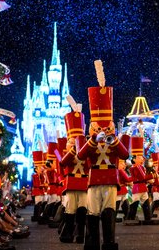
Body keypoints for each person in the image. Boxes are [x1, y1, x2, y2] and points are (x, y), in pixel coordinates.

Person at [76, 60, 130, 250]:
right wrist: (92, 139)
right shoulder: (88, 140)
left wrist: (113, 138)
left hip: (110, 178)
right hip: (94, 178)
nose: (102, 129)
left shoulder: (113, 138)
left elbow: (125, 154)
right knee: (92, 213)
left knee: (109, 212)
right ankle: (91, 244)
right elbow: (81, 156)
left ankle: (109, 243)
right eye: (99, 127)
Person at [59, 102, 90, 244]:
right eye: (70, 141)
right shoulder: (66, 153)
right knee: (70, 210)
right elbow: (63, 163)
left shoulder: (85, 153)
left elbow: (89, 165)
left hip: (83, 183)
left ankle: (80, 235)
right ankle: (67, 234)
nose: (72, 143)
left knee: (82, 210)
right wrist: (72, 150)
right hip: (71, 183)